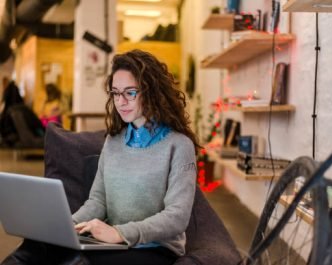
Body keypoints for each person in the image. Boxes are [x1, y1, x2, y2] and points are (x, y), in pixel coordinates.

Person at [1, 49, 200, 265]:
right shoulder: (113, 141)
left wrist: (119, 233)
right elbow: (98, 200)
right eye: (115, 93)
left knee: (78, 262)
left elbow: (177, 217)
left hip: (155, 248)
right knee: (34, 247)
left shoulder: (179, 145)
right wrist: (66, 226)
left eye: (130, 92)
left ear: (152, 92)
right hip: (111, 240)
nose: (121, 101)